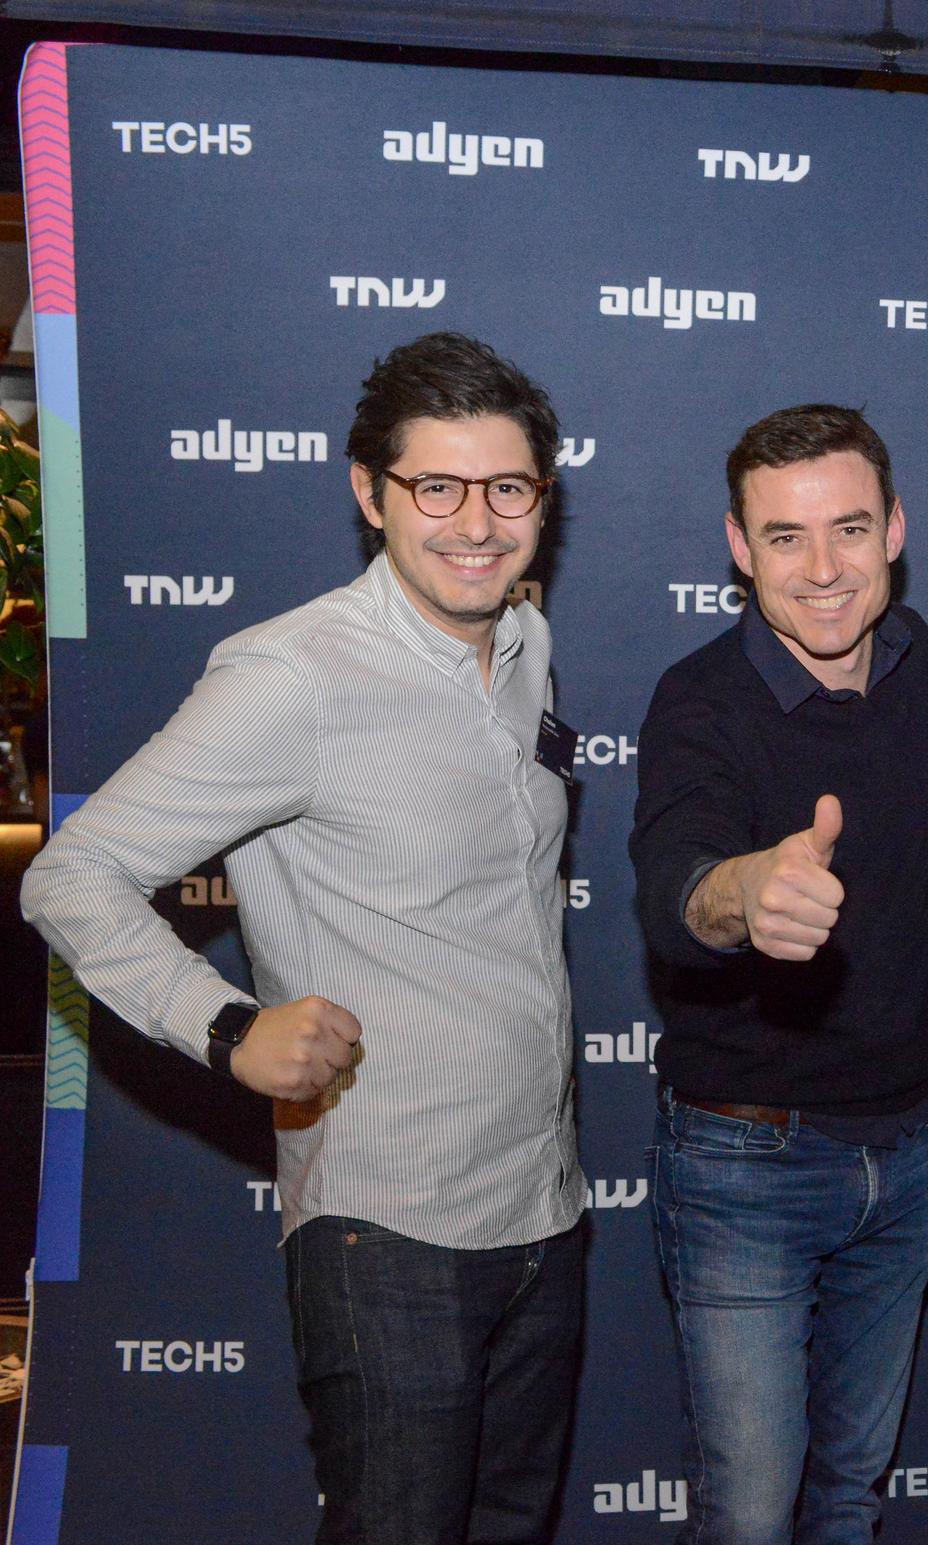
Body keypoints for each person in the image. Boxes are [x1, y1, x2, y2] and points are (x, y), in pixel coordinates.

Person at [23, 332, 585, 1545]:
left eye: (508, 488)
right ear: (367, 490)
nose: (476, 524)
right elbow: (73, 876)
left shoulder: (526, 643)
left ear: (544, 494)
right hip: (388, 1232)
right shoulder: (294, 676)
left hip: (544, 1210)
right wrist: (224, 1028)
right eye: (437, 487)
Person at [628, 405, 928, 1545]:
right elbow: (679, 882)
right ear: (740, 549)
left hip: (904, 1140)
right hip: (746, 1162)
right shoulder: (699, 700)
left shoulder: (919, 660)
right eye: (786, 539)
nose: (824, 570)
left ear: (895, 529)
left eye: (848, 530)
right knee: (748, 1517)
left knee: (849, 1500)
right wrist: (749, 895)